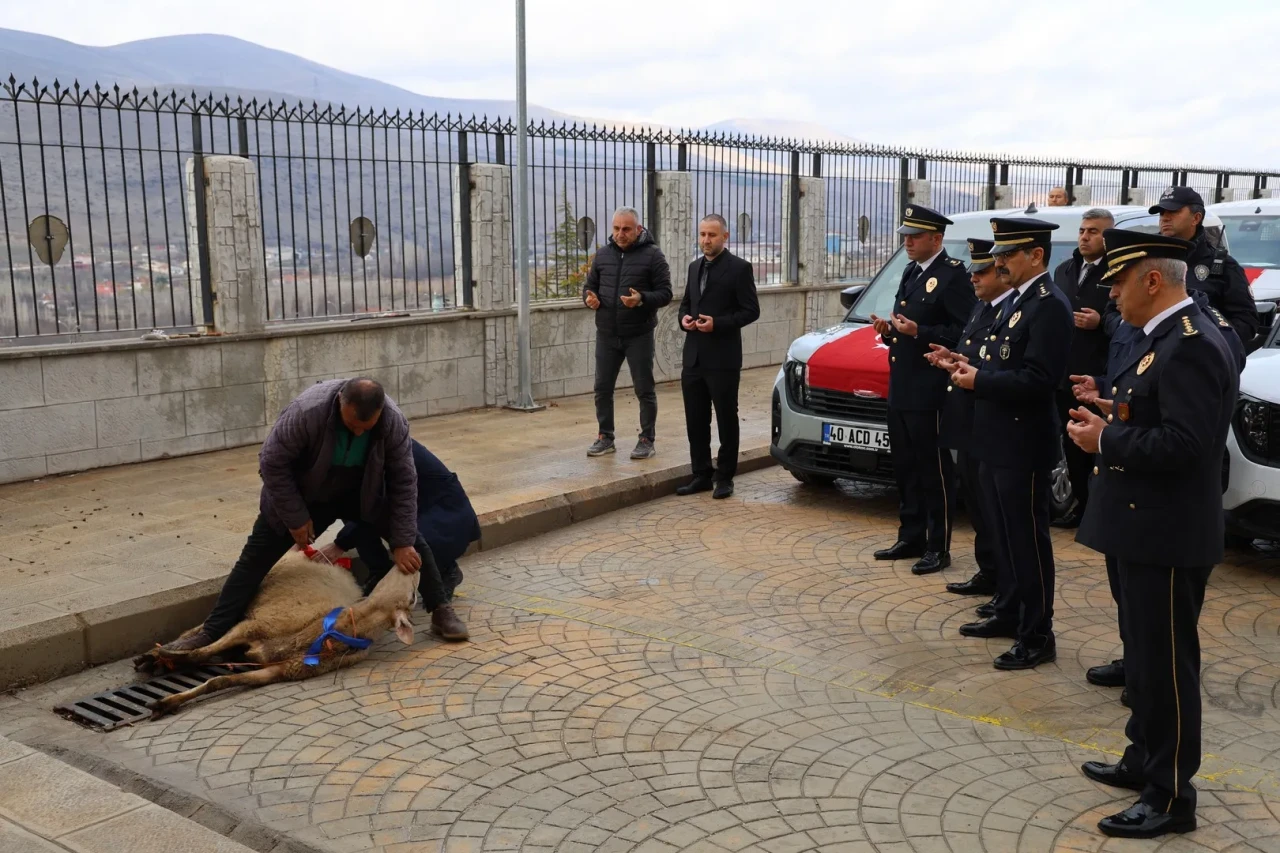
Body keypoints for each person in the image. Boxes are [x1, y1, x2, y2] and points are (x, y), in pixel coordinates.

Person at [1068, 229, 1238, 839]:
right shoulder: (1160, 338)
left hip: (1165, 532)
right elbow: (1158, 413)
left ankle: (1170, 796)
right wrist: (1111, 409)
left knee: (1166, 664)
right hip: (1138, 523)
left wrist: (1104, 440)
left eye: (1117, 282)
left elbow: (1190, 446)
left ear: (1152, 280)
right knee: (1141, 654)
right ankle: (1143, 756)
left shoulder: (1190, 342)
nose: (1110, 294)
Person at [153, 378, 468, 653]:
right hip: (310, 495)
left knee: (413, 543)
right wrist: (295, 517)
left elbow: (404, 481)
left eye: (365, 428)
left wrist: (401, 541)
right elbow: (272, 463)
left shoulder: (393, 421)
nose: (358, 433)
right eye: (351, 425)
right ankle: (212, 629)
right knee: (255, 556)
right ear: (340, 404)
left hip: (363, 492)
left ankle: (440, 609)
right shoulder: (308, 411)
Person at [949, 218, 1072, 669]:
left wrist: (980, 379)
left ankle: (1037, 633)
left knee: (1027, 540)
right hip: (994, 436)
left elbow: (1041, 380)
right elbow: (998, 359)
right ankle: (1009, 610)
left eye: (1007, 255)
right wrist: (966, 365)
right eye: (997, 256)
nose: (998, 262)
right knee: (1002, 534)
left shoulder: (1048, 305)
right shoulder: (1015, 302)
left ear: (1036, 255)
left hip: (1022, 442)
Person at [870, 205, 976, 575]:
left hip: (930, 388)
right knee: (906, 465)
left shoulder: (953, 276)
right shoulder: (911, 271)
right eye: (905, 235)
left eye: (914, 236)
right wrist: (889, 328)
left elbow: (966, 333)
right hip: (902, 384)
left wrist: (922, 333)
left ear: (936, 238)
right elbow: (907, 324)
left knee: (933, 469)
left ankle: (937, 546)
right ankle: (910, 534)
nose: (907, 242)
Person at [924, 239, 1013, 603]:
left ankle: (1001, 580)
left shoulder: (1007, 311)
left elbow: (998, 367)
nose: (974, 279)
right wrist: (952, 356)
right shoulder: (981, 308)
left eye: (982, 272)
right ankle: (988, 571)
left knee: (993, 508)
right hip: (968, 418)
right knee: (977, 502)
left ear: (1001, 274)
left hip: (989, 420)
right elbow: (974, 354)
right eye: (973, 272)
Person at [313, 438, 480, 602]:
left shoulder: (385, 446)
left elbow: (378, 504)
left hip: (443, 514)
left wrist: (340, 544)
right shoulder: (350, 448)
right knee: (351, 507)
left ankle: (446, 570)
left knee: (413, 544)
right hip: (413, 509)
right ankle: (379, 571)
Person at [674, 214, 760, 500]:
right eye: (702, 235)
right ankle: (701, 474)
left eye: (711, 235)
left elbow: (751, 311)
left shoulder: (739, 268)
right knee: (695, 419)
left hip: (723, 358)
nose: (705, 241)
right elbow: (687, 302)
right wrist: (683, 318)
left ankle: (725, 477)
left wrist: (718, 323)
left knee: (725, 418)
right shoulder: (693, 267)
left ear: (725, 237)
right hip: (694, 357)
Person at [583, 206, 674, 460]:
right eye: (616, 229)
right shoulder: (602, 255)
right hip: (607, 334)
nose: (620, 234)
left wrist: (642, 299)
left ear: (638, 229)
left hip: (638, 334)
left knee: (644, 388)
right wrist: (589, 299)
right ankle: (605, 437)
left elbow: (666, 293)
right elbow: (589, 288)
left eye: (626, 229)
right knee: (602, 388)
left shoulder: (653, 256)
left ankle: (646, 439)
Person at [1052, 208, 1114, 528]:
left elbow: (1128, 322)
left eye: (1094, 231)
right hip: (1067, 375)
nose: (1085, 236)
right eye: (1082, 230)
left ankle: (1101, 511)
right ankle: (1082, 505)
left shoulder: (1117, 272)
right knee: (1071, 444)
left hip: (1101, 378)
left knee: (1099, 449)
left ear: (1108, 236)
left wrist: (1100, 321)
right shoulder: (1064, 269)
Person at [1150, 186, 1258, 346]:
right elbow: (1114, 311)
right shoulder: (1145, 260)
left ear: (1196, 218)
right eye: (1162, 213)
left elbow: (1246, 323)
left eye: (1173, 212)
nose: (1164, 218)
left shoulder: (1225, 267)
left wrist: (1207, 342)